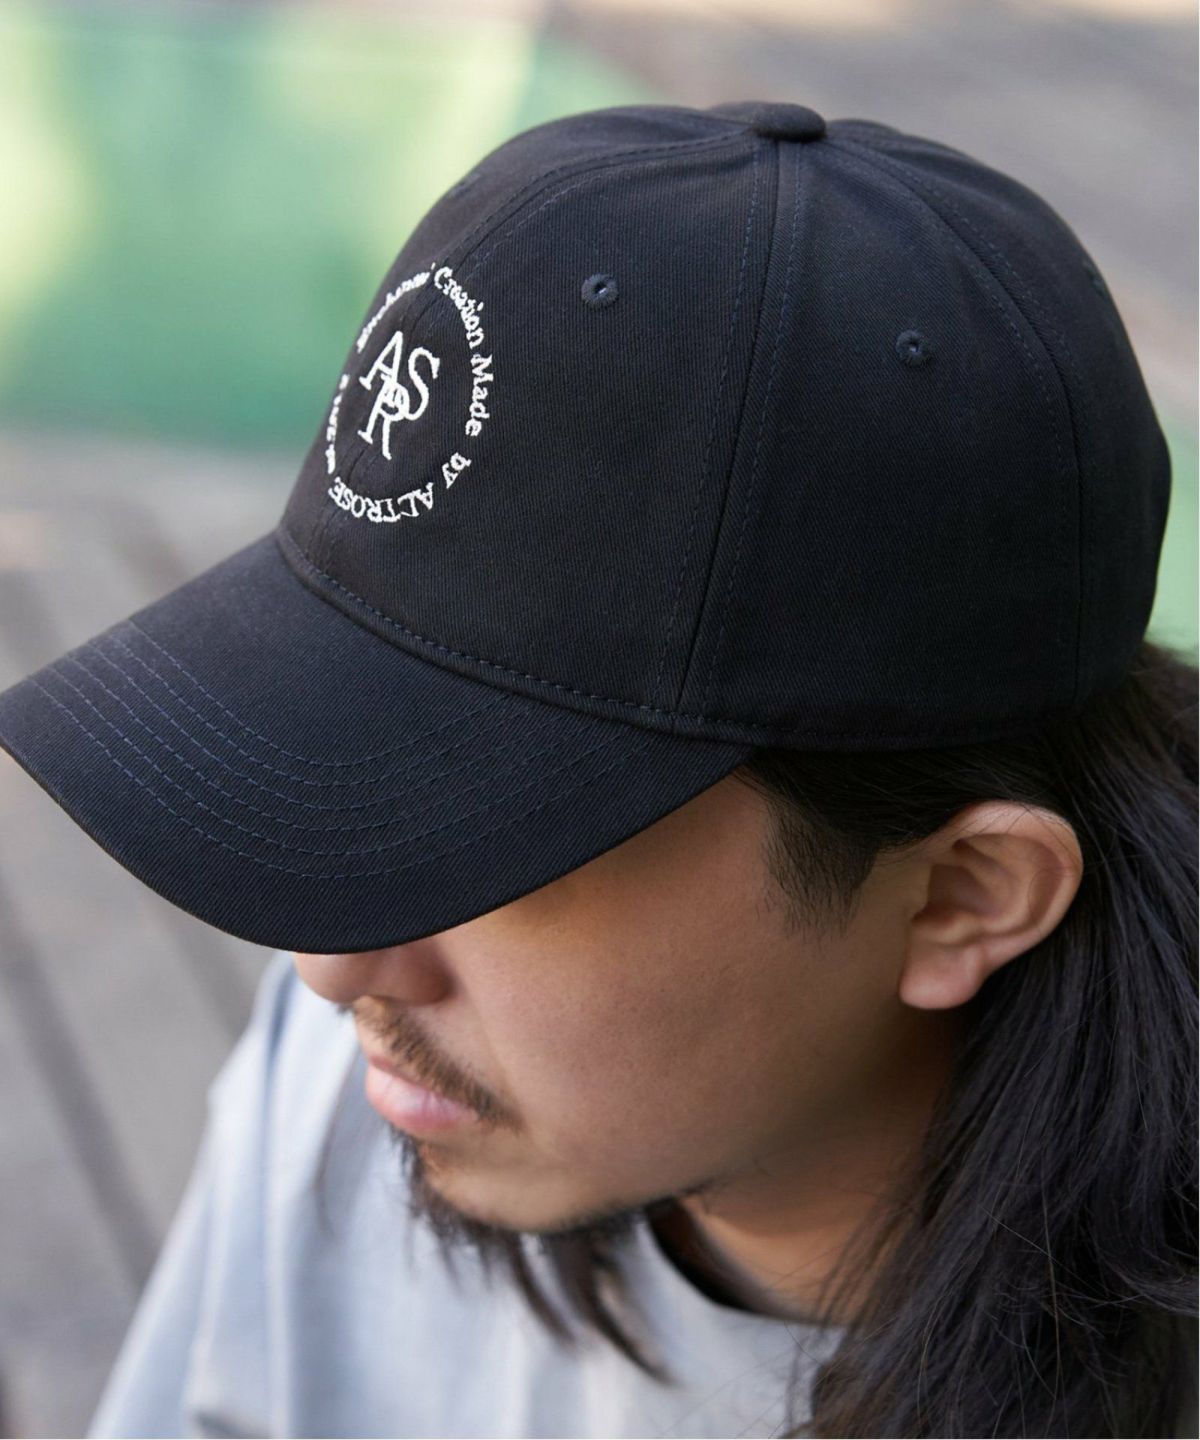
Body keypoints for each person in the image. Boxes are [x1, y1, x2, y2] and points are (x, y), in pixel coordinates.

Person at [0, 100, 1194, 1438]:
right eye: (355, 799)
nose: (333, 972)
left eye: (497, 847)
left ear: (963, 896)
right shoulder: (361, 1086)